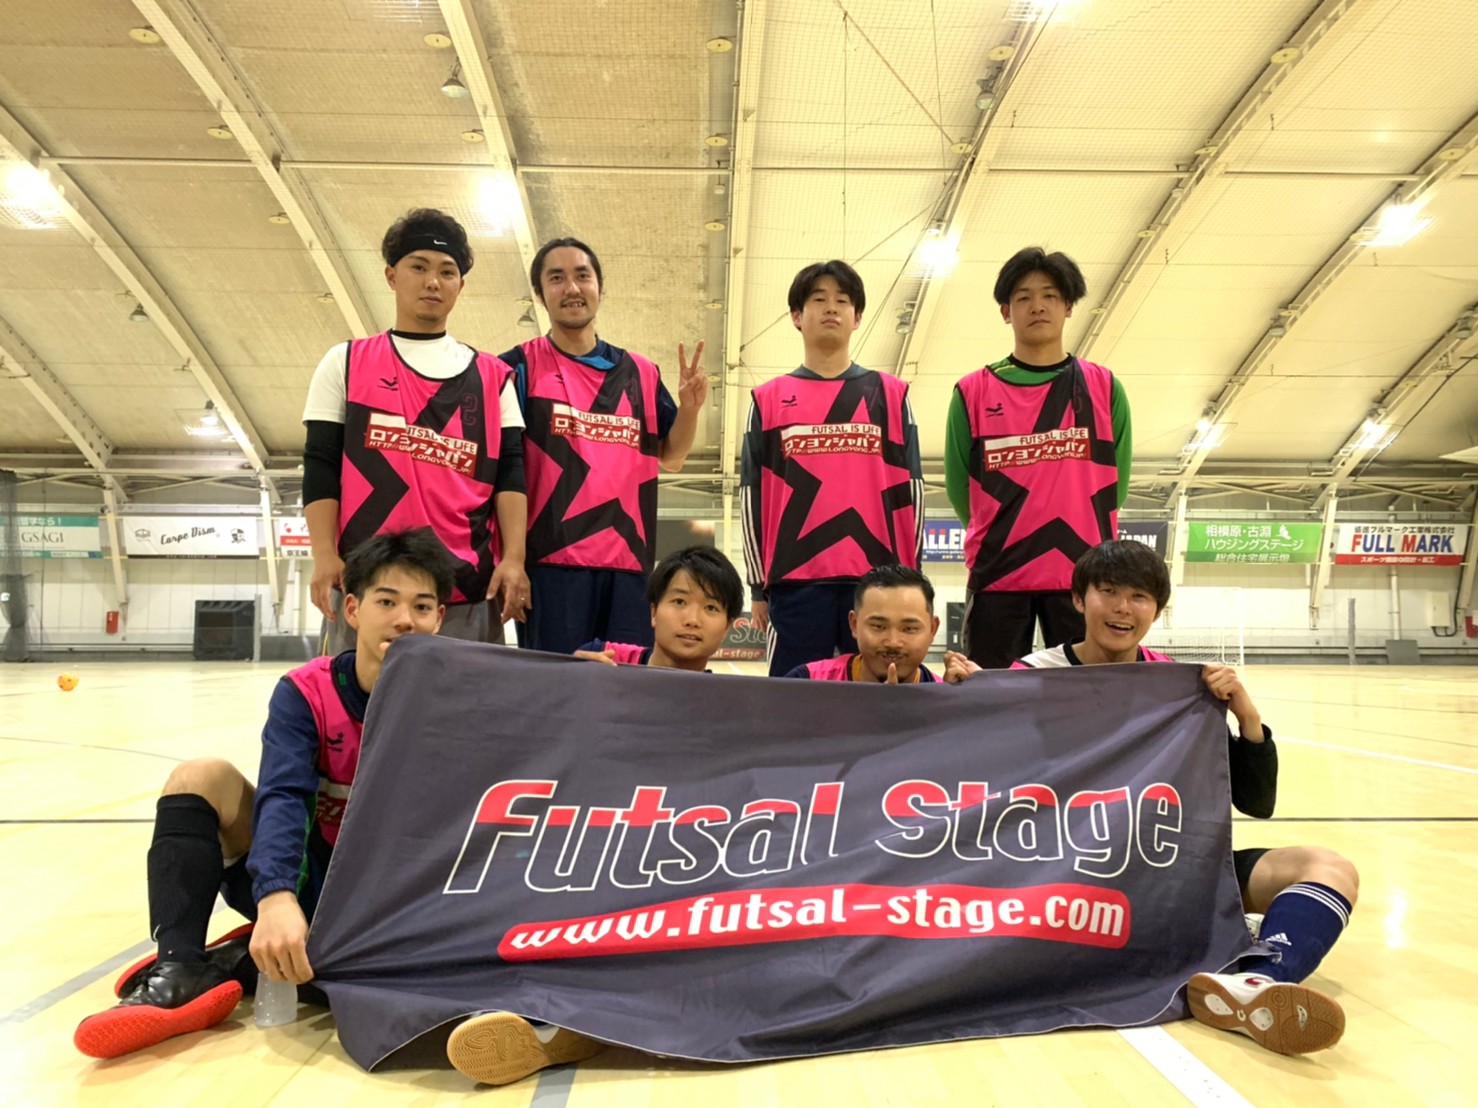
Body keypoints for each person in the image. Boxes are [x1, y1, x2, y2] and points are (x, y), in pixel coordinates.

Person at [73, 530, 454, 1059]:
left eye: (422, 606)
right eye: (386, 602)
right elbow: (283, 796)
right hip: (308, 881)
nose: (404, 620)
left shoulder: (460, 697)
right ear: (352, 609)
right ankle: (181, 964)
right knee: (201, 776)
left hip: (392, 897)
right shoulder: (307, 692)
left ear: (439, 619)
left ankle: (243, 961)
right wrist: (275, 896)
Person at [1013, 540, 1356, 1056]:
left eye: (1139, 597)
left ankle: (1258, 981)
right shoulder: (1030, 677)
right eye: (1108, 592)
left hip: (1170, 872)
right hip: (1068, 875)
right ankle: (1235, 949)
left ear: (1157, 610)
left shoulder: (1180, 683)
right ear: (1079, 600)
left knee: (1327, 867)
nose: (1123, 608)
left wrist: (1247, 719)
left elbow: (1256, 803)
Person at [301, 208, 529, 654]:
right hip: (368, 586)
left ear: (460, 285)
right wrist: (324, 554)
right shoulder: (345, 362)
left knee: (466, 701)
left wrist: (514, 559)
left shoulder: (494, 377)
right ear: (391, 276)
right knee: (361, 699)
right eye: (419, 267)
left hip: (466, 588)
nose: (433, 282)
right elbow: (320, 463)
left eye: (447, 272)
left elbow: (512, 473)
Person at [496, 236, 708, 656]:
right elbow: (504, 471)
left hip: (629, 566)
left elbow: (672, 456)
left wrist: (689, 409)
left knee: (626, 686)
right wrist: (512, 560)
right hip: (550, 568)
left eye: (582, 276)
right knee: (557, 686)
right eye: (557, 278)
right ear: (539, 293)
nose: (572, 288)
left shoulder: (642, 373)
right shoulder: (516, 367)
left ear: (600, 287)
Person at [944, 247, 1133, 669]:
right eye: (1024, 297)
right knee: (990, 689)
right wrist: (997, 534)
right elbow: (959, 486)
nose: (1037, 306)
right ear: (1005, 311)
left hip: (1084, 577)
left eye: (1049, 295)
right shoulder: (972, 391)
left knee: (1085, 694)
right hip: (998, 572)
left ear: (1068, 307)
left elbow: (1116, 483)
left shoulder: (1104, 387)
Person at [742, 260, 925, 677]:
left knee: (878, 697)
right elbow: (751, 493)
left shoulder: (891, 394)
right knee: (794, 697)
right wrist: (757, 585)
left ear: (857, 317)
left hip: (879, 584)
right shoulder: (768, 399)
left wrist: (911, 577)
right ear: (796, 316)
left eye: (842, 301)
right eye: (818, 299)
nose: (831, 308)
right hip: (795, 580)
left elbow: (912, 489)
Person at [781, 565, 966, 684]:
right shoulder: (806, 684)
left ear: (932, 630)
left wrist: (953, 706)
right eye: (878, 626)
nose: (893, 642)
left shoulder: (945, 697)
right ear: (854, 624)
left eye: (909, 629)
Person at [574, 545, 743, 672]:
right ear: (654, 612)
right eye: (679, 602)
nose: (692, 620)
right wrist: (569, 676)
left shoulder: (724, 702)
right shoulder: (600, 658)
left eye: (711, 608)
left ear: (727, 627)